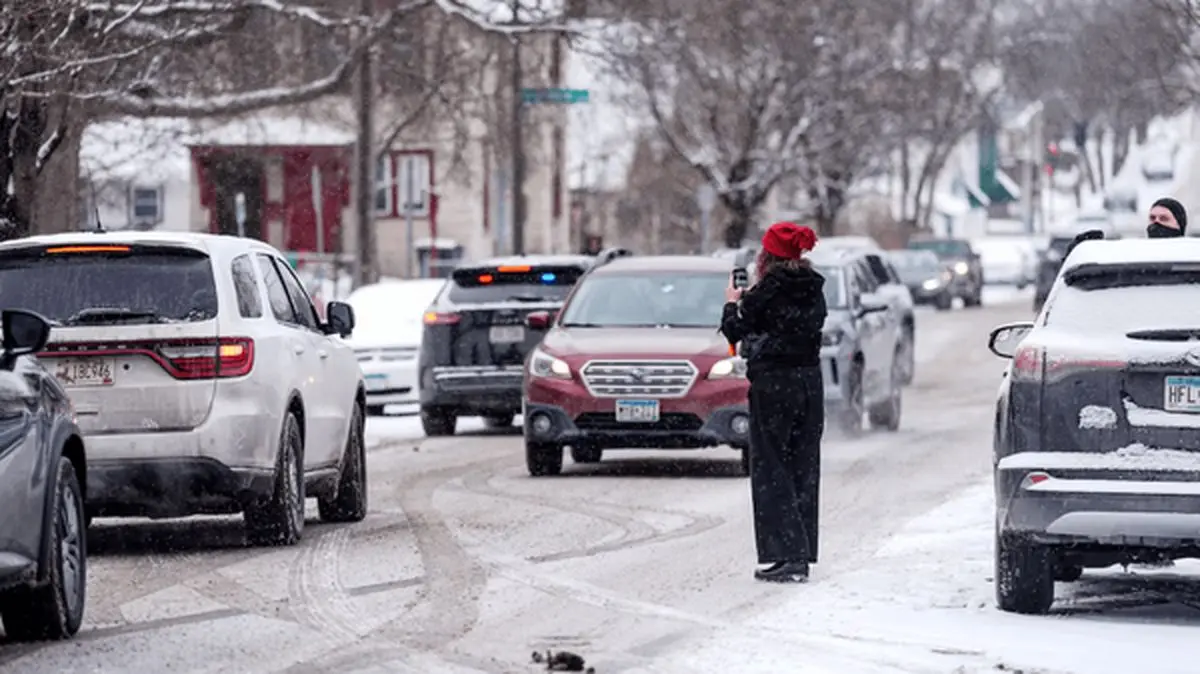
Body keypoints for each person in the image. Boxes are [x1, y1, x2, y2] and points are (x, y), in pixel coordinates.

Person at [720, 221, 827, 583]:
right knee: (803, 464)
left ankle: (787, 554)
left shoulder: (767, 292)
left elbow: (736, 331)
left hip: (774, 384)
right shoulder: (814, 289)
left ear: (768, 256)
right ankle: (802, 553)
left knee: (772, 467)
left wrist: (732, 304)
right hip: (810, 384)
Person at [1066, 197, 1188, 257]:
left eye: (1163, 219)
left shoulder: (1191, 258)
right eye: (1152, 218)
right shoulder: (1135, 257)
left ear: (1179, 224)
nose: (1156, 223)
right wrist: (1079, 252)